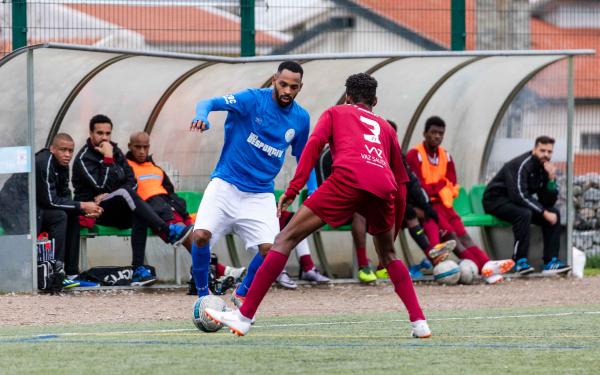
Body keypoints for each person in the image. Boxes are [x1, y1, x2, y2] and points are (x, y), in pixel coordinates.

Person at [206, 73, 432, 339]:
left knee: (284, 240)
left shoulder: (336, 112)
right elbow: (401, 182)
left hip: (347, 179)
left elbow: (312, 147)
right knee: (390, 256)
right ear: (375, 100)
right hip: (383, 188)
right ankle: (420, 323)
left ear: (347, 97)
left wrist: (292, 190)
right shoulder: (387, 129)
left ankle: (244, 317)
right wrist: (391, 231)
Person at [189, 61, 317, 299]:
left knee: (271, 251)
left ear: (300, 87)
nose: (287, 91)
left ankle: (241, 295)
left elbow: (303, 157)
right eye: (283, 84)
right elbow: (209, 102)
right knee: (200, 236)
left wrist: (314, 189)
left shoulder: (301, 118)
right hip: (226, 184)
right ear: (273, 81)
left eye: (293, 86)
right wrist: (202, 116)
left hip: (260, 194)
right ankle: (202, 296)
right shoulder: (251, 99)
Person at [314, 122, 453, 284]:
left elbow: (407, 181)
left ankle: (389, 265)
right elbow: (326, 188)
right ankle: (363, 266)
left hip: (364, 204)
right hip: (338, 206)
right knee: (361, 211)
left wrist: (422, 206)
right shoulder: (331, 155)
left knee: (401, 211)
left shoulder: (384, 154)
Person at [72, 114, 192, 286]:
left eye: (108, 133)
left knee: (136, 208)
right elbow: (99, 185)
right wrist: (107, 159)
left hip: (116, 207)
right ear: (91, 134)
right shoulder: (84, 158)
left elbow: (131, 180)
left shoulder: (116, 151)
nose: (104, 138)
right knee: (124, 193)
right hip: (95, 211)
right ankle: (167, 230)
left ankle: (138, 269)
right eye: (100, 133)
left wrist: (110, 188)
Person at [125, 131, 247, 290]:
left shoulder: (155, 168)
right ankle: (218, 269)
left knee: (193, 230)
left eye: (145, 147)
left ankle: (212, 270)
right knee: (188, 234)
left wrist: (182, 212)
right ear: (130, 147)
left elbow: (170, 192)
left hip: (168, 207)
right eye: (137, 147)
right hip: (152, 212)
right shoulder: (126, 166)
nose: (142, 151)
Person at [406, 116, 515, 284]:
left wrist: (438, 186)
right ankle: (483, 268)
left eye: (440, 133)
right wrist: (440, 185)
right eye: (433, 132)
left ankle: (487, 265)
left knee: (464, 236)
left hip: (445, 204)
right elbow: (419, 186)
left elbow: (452, 183)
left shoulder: (446, 156)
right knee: (453, 239)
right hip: (428, 205)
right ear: (424, 133)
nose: (437, 136)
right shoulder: (415, 154)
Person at [483, 136, 571, 275]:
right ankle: (520, 262)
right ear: (534, 149)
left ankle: (550, 262)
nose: (546, 155)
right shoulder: (521, 164)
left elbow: (547, 201)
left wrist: (551, 179)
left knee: (554, 212)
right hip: (495, 200)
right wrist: (543, 213)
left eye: (549, 152)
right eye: (542, 150)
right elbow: (519, 195)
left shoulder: (544, 168)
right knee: (524, 213)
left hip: (515, 202)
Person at [35, 133, 104, 287]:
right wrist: (82, 206)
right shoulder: (44, 162)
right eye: (63, 150)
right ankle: (56, 271)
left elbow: (64, 197)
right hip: (21, 211)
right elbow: (50, 200)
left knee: (72, 215)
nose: (67, 155)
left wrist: (83, 211)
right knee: (60, 216)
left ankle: (71, 273)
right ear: (52, 149)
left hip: (40, 210)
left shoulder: (63, 166)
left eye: (70, 151)